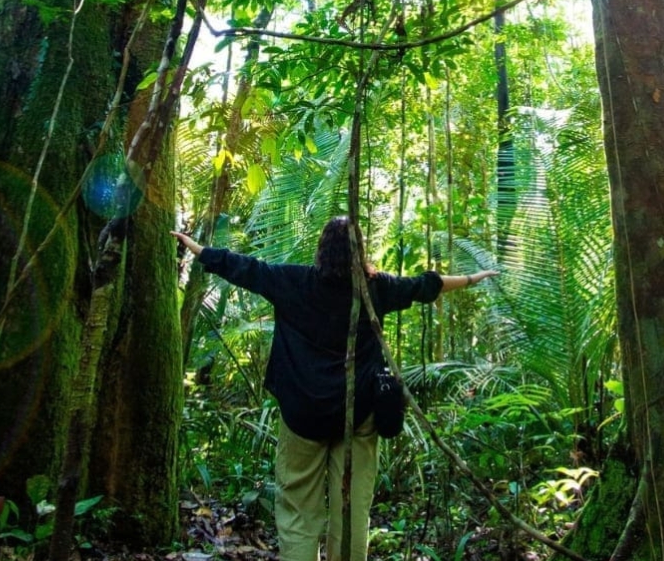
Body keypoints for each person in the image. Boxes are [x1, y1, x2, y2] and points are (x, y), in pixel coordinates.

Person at [171, 216, 498, 561]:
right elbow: (423, 285)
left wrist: (196, 248)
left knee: (298, 509)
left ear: (322, 249)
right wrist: (472, 279)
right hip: (358, 415)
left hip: (302, 415)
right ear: (360, 250)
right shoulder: (375, 288)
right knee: (353, 509)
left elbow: (243, 268)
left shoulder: (292, 281)